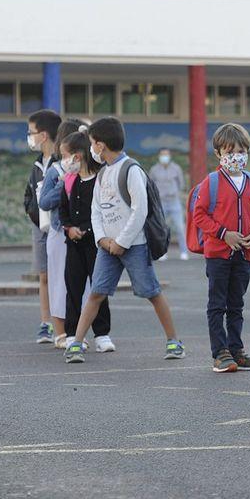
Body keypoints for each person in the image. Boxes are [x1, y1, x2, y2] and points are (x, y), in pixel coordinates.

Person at [63, 117, 184, 361]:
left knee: (152, 292)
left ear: (101, 145)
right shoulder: (102, 174)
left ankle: (174, 341)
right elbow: (96, 211)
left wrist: (122, 242)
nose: (91, 149)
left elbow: (140, 210)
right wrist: (104, 240)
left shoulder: (131, 170)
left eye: (92, 143)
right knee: (96, 292)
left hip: (134, 245)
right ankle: (76, 344)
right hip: (108, 247)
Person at [192, 123, 250, 373]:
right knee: (217, 304)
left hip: (244, 254)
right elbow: (199, 215)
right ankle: (219, 353)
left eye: (241, 150)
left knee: (237, 304)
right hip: (218, 254)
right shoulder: (210, 182)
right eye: (230, 151)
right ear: (218, 154)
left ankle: (236, 350)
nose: (236, 156)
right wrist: (224, 234)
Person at [56, 130, 115, 361]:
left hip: (96, 245)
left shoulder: (101, 179)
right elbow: (62, 209)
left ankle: (102, 334)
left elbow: (104, 212)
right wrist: (69, 228)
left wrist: (89, 232)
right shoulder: (70, 181)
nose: (64, 161)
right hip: (73, 244)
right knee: (73, 287)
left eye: (65, 155)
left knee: (99, 288)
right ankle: (72, 333)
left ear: (78, 156)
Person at [24, 108, 61, 345]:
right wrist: (36, 215)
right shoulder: (37, 165)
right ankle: (45, 323)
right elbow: (28, 197)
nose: (29, 137)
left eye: (31, 132)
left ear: (44, 135)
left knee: (63, 276)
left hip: (60, 228)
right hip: (40, 228)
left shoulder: (62, 162)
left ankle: (64, 324)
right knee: (44, 275)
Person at [150, 148, 190, 261]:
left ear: (170, 156)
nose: (164, 157)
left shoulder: (176, 168)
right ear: (159, 156)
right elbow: (151, 184)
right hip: (161, 202)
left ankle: (184, 252)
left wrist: (175, 192)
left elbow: (181, 183)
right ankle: (162, 253)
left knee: (180, 227)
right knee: (161, 228)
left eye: (166, 155)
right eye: (162, 155)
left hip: (174, 201)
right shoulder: (154, 169)